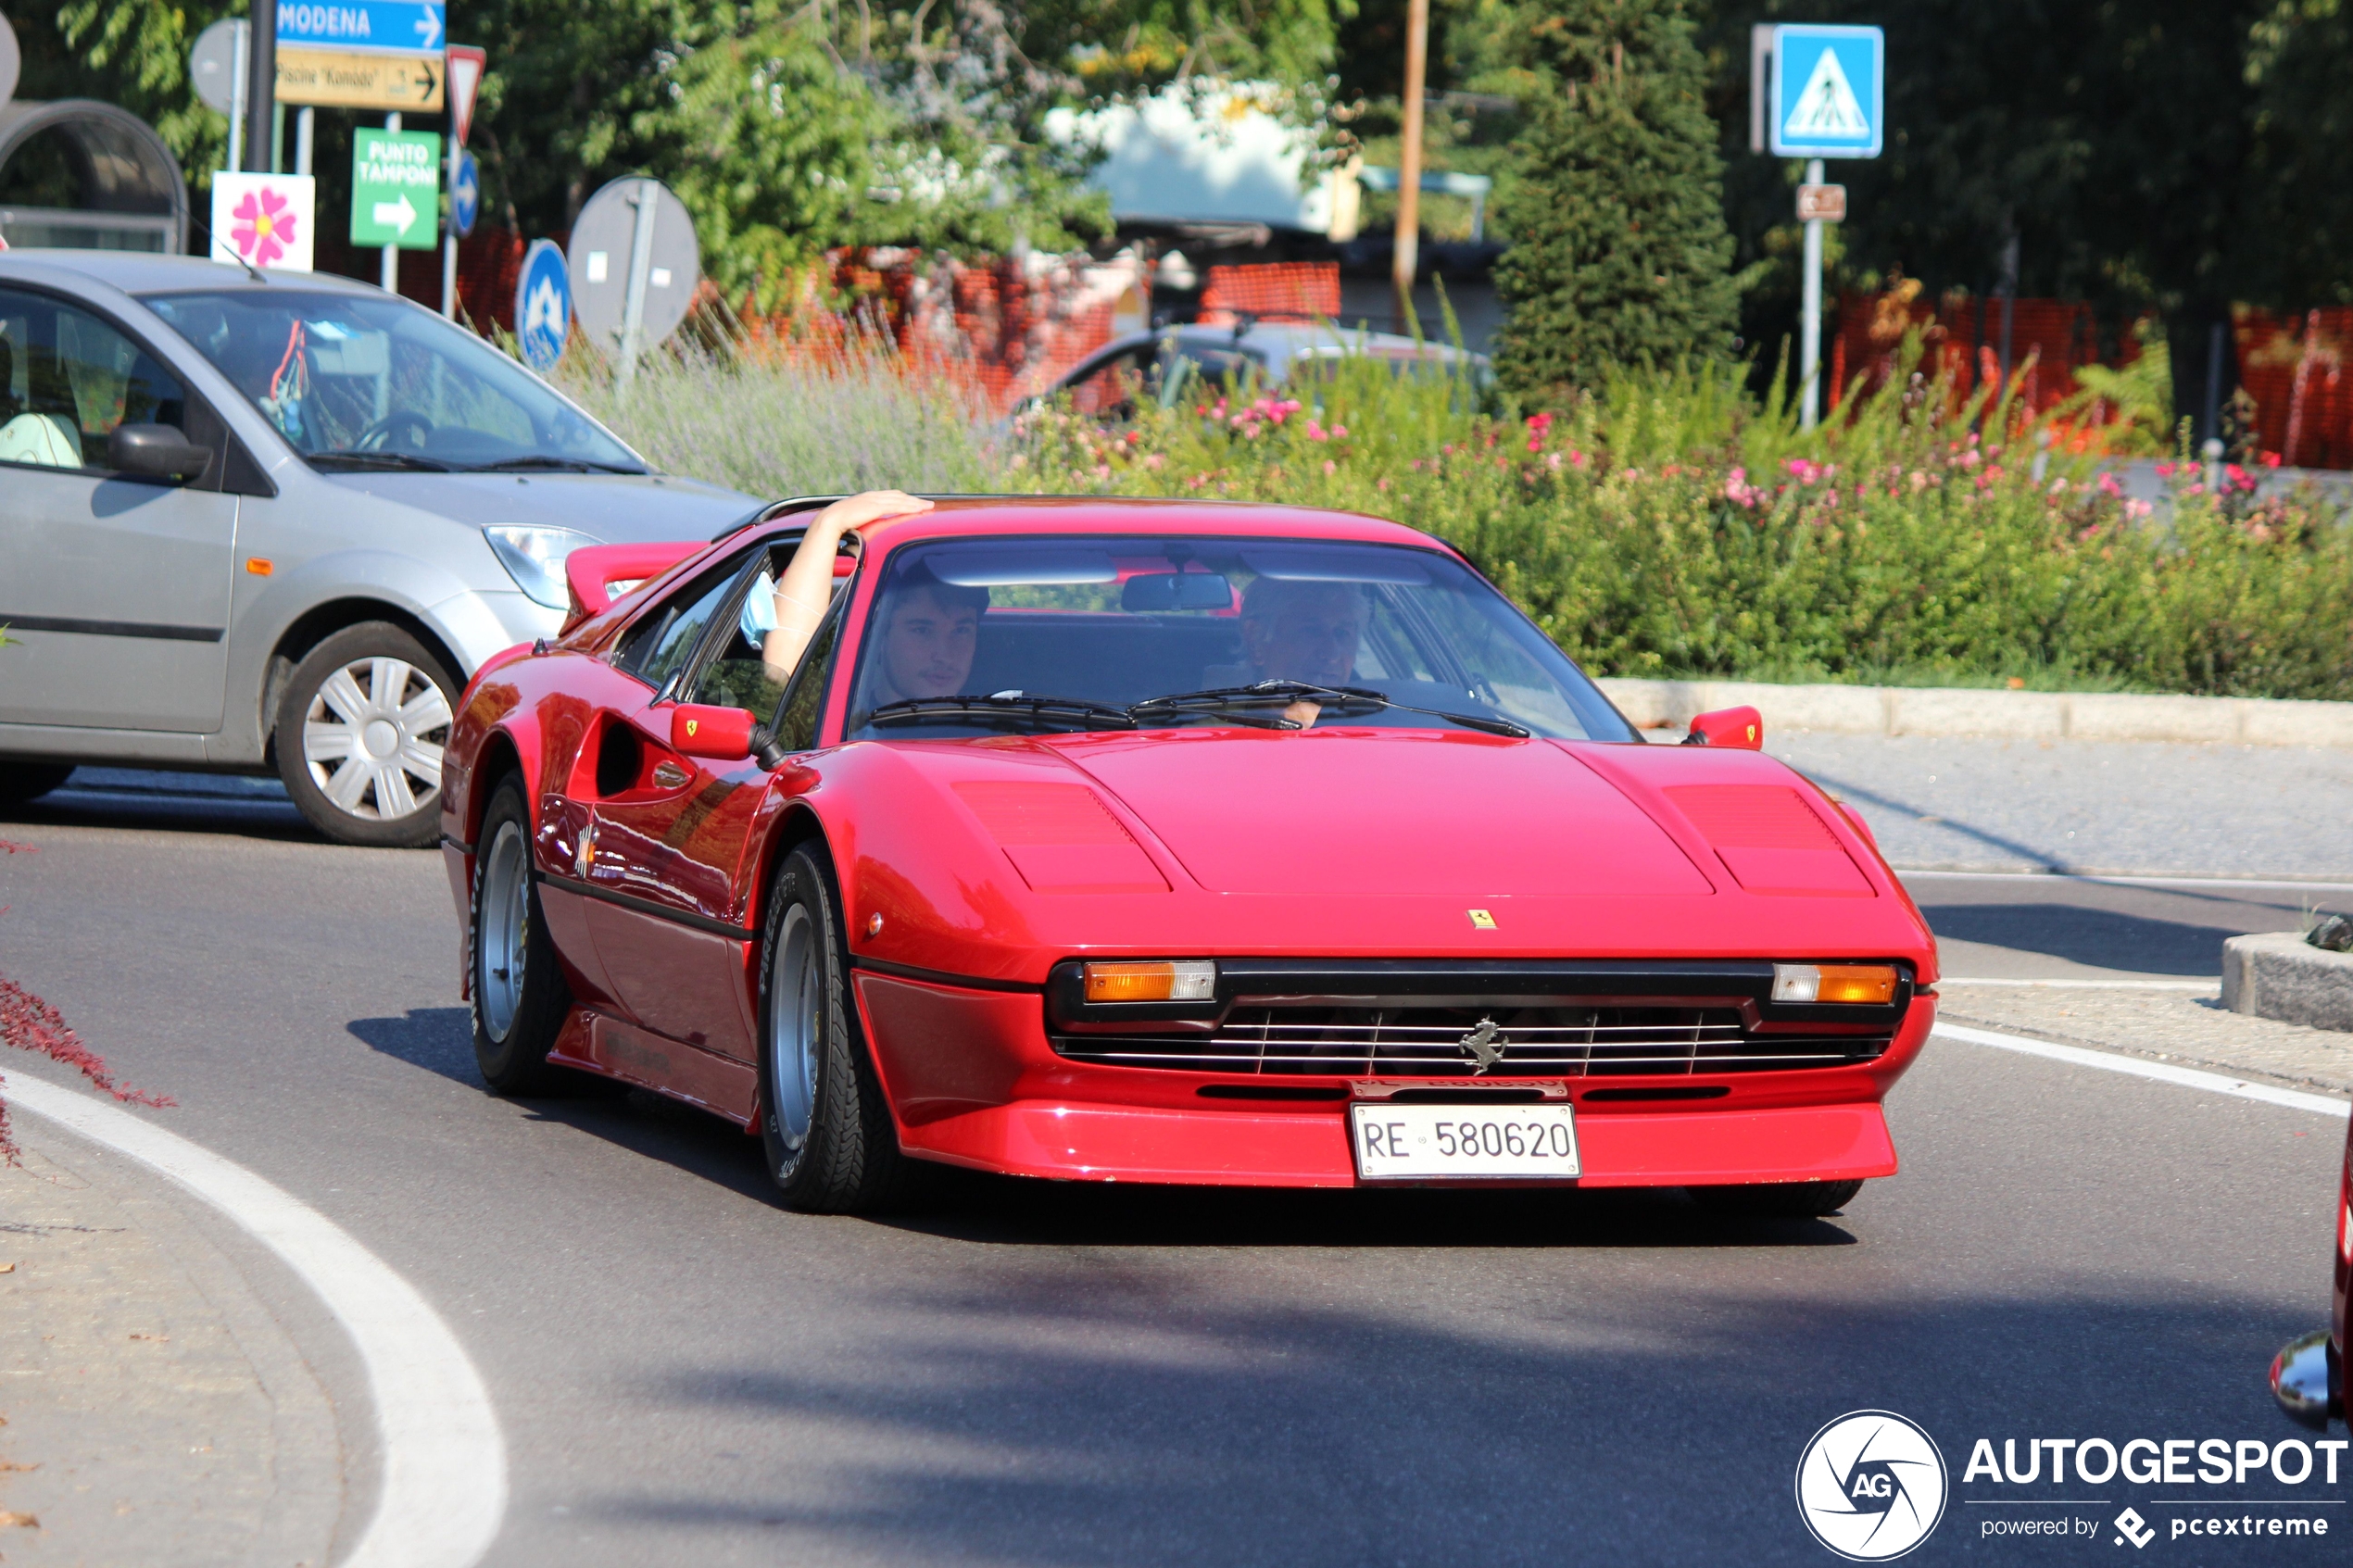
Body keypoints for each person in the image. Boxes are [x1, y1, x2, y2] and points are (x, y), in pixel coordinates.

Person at [760, 490, 935, 683]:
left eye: (962, 630)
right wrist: (828, 524)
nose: (943, 653)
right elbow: (781, 670)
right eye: (922, 630)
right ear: (880, 634)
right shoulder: (845, 705)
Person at [1237, 577, 1369, 726]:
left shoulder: (1380, 734)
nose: (1332, 654)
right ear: (1256, 640)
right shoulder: (1215, 737)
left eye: (1342, 633)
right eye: (1311, 631)